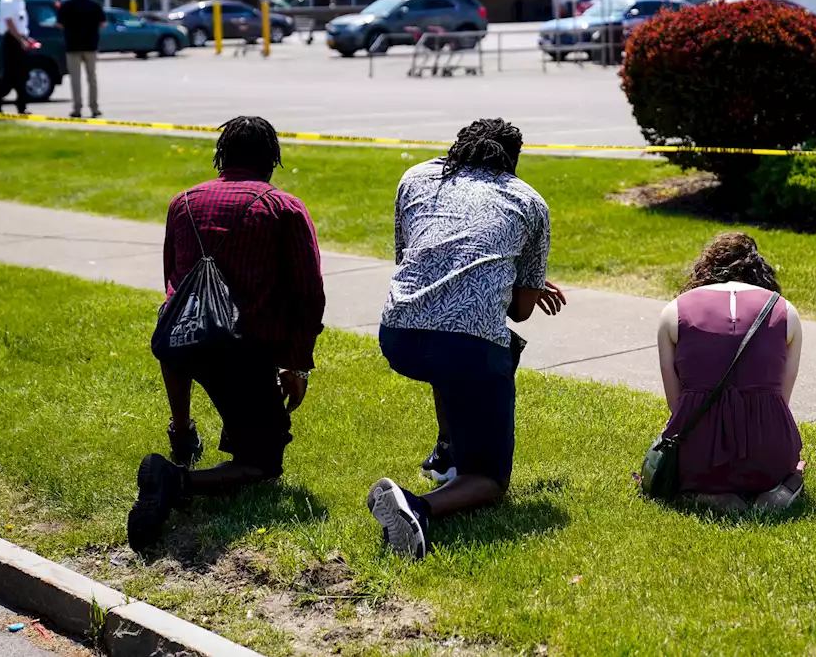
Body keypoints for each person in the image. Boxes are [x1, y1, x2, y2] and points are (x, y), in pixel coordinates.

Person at [127, 116, 327, 553]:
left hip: (177, 342)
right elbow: (308, 296)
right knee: (261, 464)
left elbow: (172, 280)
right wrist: (295, 363)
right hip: (241, 350)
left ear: (221, 156)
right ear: (272, 160)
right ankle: (177, 478)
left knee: (177, 340)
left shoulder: (182, 202)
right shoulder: (284, 208)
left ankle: (182, 432)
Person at [368, 118, 565, 559]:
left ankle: (446, 452)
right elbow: (520, 310)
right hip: (466, 348)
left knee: (451, 345)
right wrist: (519, 280)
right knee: (490, 480)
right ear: (512, 162)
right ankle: (415, 507)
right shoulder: (527, 200)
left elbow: (417, 257)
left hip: (398, 333)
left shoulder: (416, 176)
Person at [656, 232, 804, 513]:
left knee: (686, 459)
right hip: (769, 452)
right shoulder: (786, 311)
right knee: (786, 465)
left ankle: (709, 494)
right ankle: (779, 489)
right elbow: (781, 402)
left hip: (698, 457)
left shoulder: (673, 312)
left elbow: (676, 406)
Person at [55, 0, 106, 119]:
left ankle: (77, 108)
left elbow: (59, 24)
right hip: (90, 45)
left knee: (75, 79)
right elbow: (103, 23)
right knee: (92, 78)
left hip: (73, 46)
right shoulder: (94, 5)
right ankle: (94, 108)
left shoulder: (66, 5)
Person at [0, 0, 39, 114]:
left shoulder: (21, 2)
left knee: (22, 74)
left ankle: (21, 106)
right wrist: (21, 40)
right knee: (9, 76)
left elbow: (21, 23)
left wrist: (27, 38)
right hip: (11, 40)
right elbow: (9, 24)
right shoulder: (8, 1)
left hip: (20, 39)